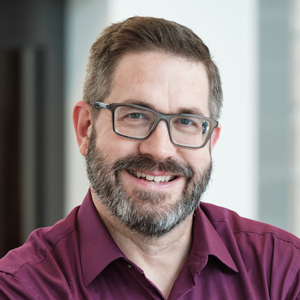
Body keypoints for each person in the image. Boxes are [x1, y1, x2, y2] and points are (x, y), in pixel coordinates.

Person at [0, 16, 300, 300]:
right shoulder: (22, 287)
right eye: (135, 115)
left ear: (210, 141)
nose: (160, 149)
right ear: (86, 129)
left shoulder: (282, 269)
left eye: (186, 122)